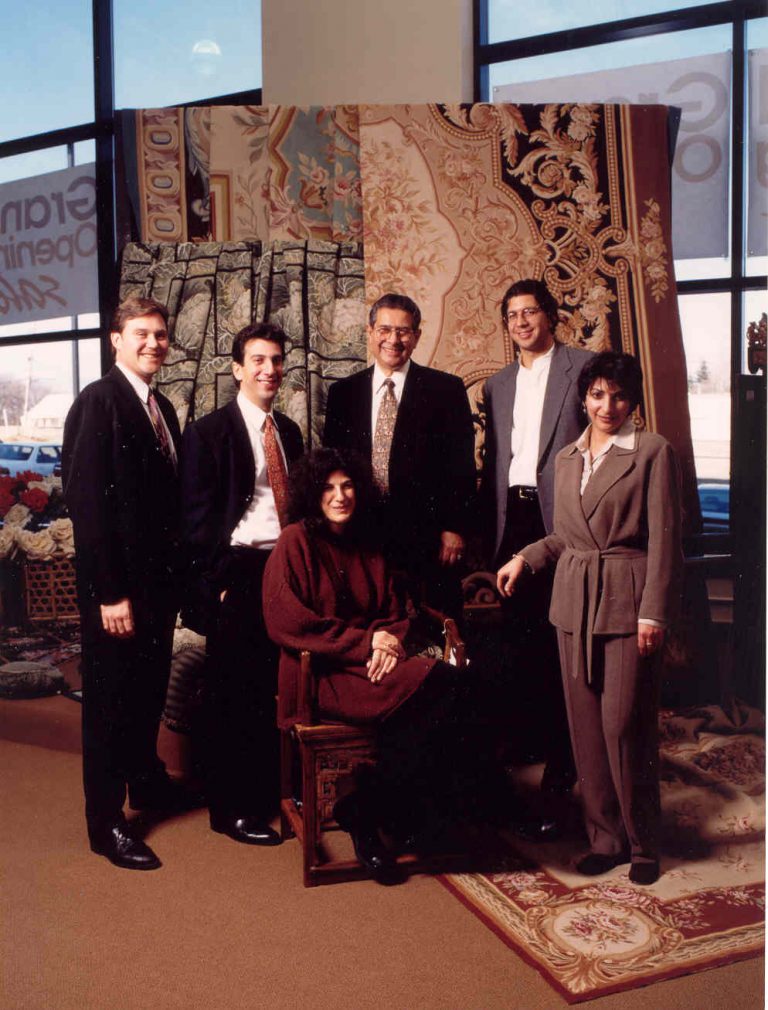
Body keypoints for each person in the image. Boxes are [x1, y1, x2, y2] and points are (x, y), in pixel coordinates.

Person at [497, 352, 683, 885]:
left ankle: (643, 843)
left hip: (628, 602)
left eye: (619, 396)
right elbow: (566, 536)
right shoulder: (566, 458)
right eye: (598, 394)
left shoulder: (652, 451)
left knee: (624, 726)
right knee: (585, 731)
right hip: (572, 602)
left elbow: (665, 541)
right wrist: (525, 557)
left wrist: (654, 614)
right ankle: (605, 839)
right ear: (584, 398)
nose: (608, 406)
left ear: (633, 401)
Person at [262, 447, 480, 882]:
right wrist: (365, 644)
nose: (340, 496)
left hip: (373, 668)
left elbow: (395, 611)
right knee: (441, 687)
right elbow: (288, 622)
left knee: (450, 686)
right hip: (321, 675)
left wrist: (387, 643)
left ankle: (365, 809)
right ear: (312, 494)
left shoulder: (368, 540)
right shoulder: (293, 542)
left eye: (347, 486)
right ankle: (390, 811)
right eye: (328, 488)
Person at [62, 296, 185, 870]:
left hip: (155, 590)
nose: (153, 343)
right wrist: (110, 593)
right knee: (110, 705)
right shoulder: (98, 402)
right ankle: (105, 823)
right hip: (115, 593)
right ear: (116, 339)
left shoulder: (162, 407)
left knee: (145, 693)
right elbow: (87, 508)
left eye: (160, 334)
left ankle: (146, 783)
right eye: (141, 333)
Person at [180, 322, 304, 846]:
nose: (269, 370)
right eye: (258, 360)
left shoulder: (289, 432)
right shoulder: (208, 432)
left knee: (282, 684)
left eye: (276, 360)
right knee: (237, 693)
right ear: (237, 369)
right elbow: (196, 522)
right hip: (239, 572)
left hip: (287, 568)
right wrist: (220, 584)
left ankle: (277, 793)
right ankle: (230, 810)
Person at [480, 278, 594, 835]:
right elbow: (496, 461)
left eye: (530, 312)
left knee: (561, 642)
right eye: (512, 315)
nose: (521, 322)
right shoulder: (497, 384)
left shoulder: (583, 367)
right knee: (519, 643)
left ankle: (566, 760)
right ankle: (533, 746)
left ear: (550, 316)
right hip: (514, 519)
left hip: (563, 520)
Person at [323, 292, 476, 619]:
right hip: (361, 533)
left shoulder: (445, 390)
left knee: (434, 625)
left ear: (416, 337)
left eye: (403, 331)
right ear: (370, 332)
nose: (393, 340)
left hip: (427, 536)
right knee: (368, 623)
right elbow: (331, 467)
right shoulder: (343, 394)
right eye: (384, 330)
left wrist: (454, 527)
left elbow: (461, 466)